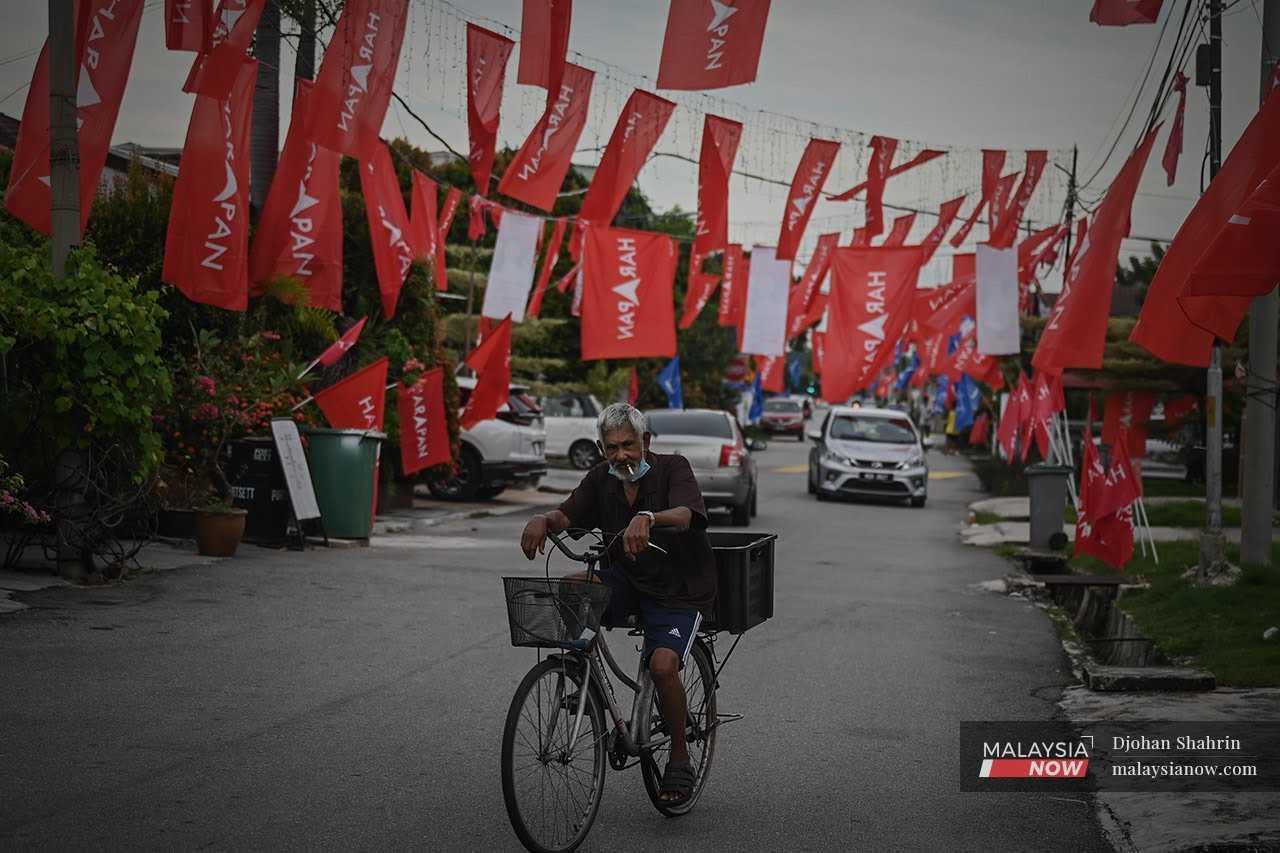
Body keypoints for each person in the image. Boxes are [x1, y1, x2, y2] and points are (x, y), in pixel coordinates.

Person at [520, 403, 716, 806]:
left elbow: (685, 515)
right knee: (573, 585)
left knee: (662, 666)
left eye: (629, 444)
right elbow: (568, 513)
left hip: (678, 589)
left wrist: (649, 516)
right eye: (612, 447)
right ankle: (580, 676)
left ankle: (679, 757)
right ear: (601, 447)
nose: (621, 455)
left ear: (645, 441)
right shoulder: (600, 480)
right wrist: (543, 519)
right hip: (628, 580)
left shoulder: (672, 468)